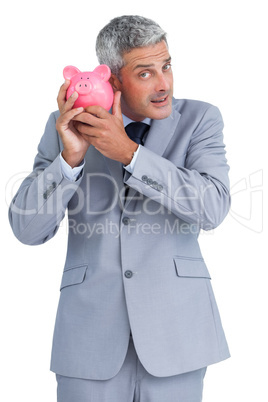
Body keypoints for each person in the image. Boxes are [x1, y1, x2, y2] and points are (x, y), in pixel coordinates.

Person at [9, 15, 230, 402]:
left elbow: (212, 207)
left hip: (177, 336)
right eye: (145, 73)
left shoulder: (200, 120)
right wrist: (69, 161)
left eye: (167, 66)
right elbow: (27, 229)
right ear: (111, 80)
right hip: (88, 339)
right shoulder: (65, 126)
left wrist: (130, 154)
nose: (164, 84)